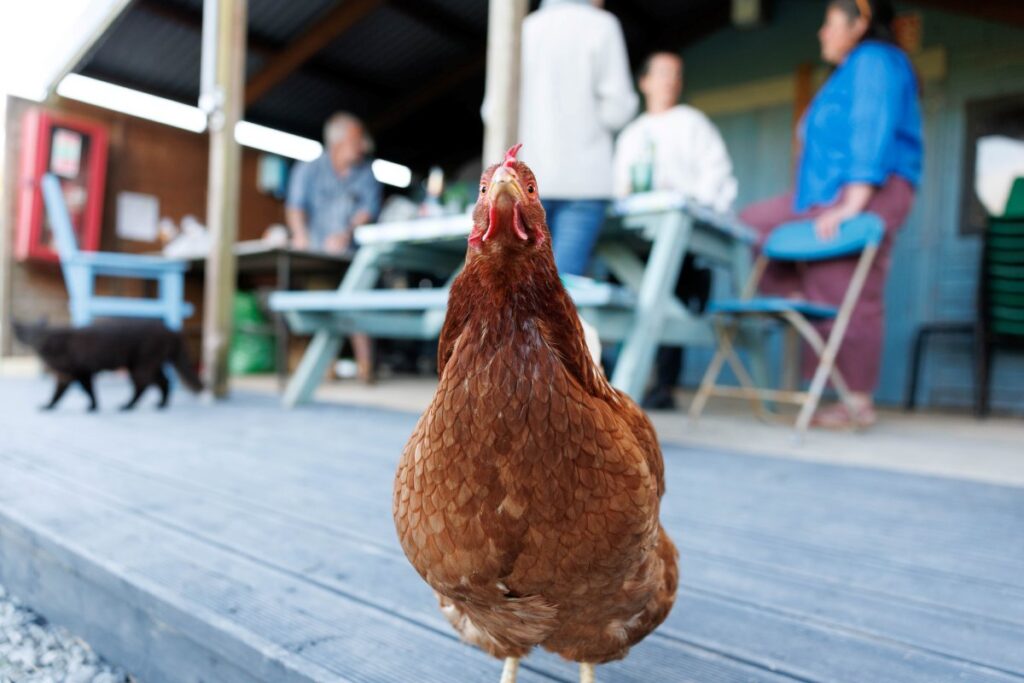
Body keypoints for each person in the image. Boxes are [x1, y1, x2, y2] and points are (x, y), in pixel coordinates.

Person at [740, 0, 923, 428]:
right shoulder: (842, 74)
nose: (822, 32)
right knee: (752, 222)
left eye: (828, 22)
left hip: (868, 185)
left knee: (843, 283)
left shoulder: (875, 59)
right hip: (817, 194)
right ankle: (793, 299)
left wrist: (855, 200)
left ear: (858, 24)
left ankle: (854, 399)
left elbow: (870, 125)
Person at [614, 52, 738, 409]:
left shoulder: (692, 122)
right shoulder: (631, 135)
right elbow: (619, 185)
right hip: (636, 235)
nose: (671, 81)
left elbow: (718, 179)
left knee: (675, 292)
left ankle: (662, 385)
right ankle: (617, 378)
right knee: (624, 284)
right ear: (645, 82)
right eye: (664, 73)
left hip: (682, 235)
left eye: (677, 75)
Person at [511, 0, 638, 276]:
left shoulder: (523, 28)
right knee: (558, 290)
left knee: (526, 287)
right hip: (585, 181)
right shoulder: (602, 25)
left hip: (528, 181)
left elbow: (495, 109)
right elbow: (618, 111)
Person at [286, 112, 383, 382]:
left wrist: (346, 233)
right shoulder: (308, 170)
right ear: (339, 142)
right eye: (357, 139)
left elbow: (368, 210)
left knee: (358, 303)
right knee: (317, 302)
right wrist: (300, 235)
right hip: (317, 256)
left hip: (354, 254)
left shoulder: (366, 173)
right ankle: (320, 368)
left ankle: (366, 369)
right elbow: (295, 208)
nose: (363, 144)